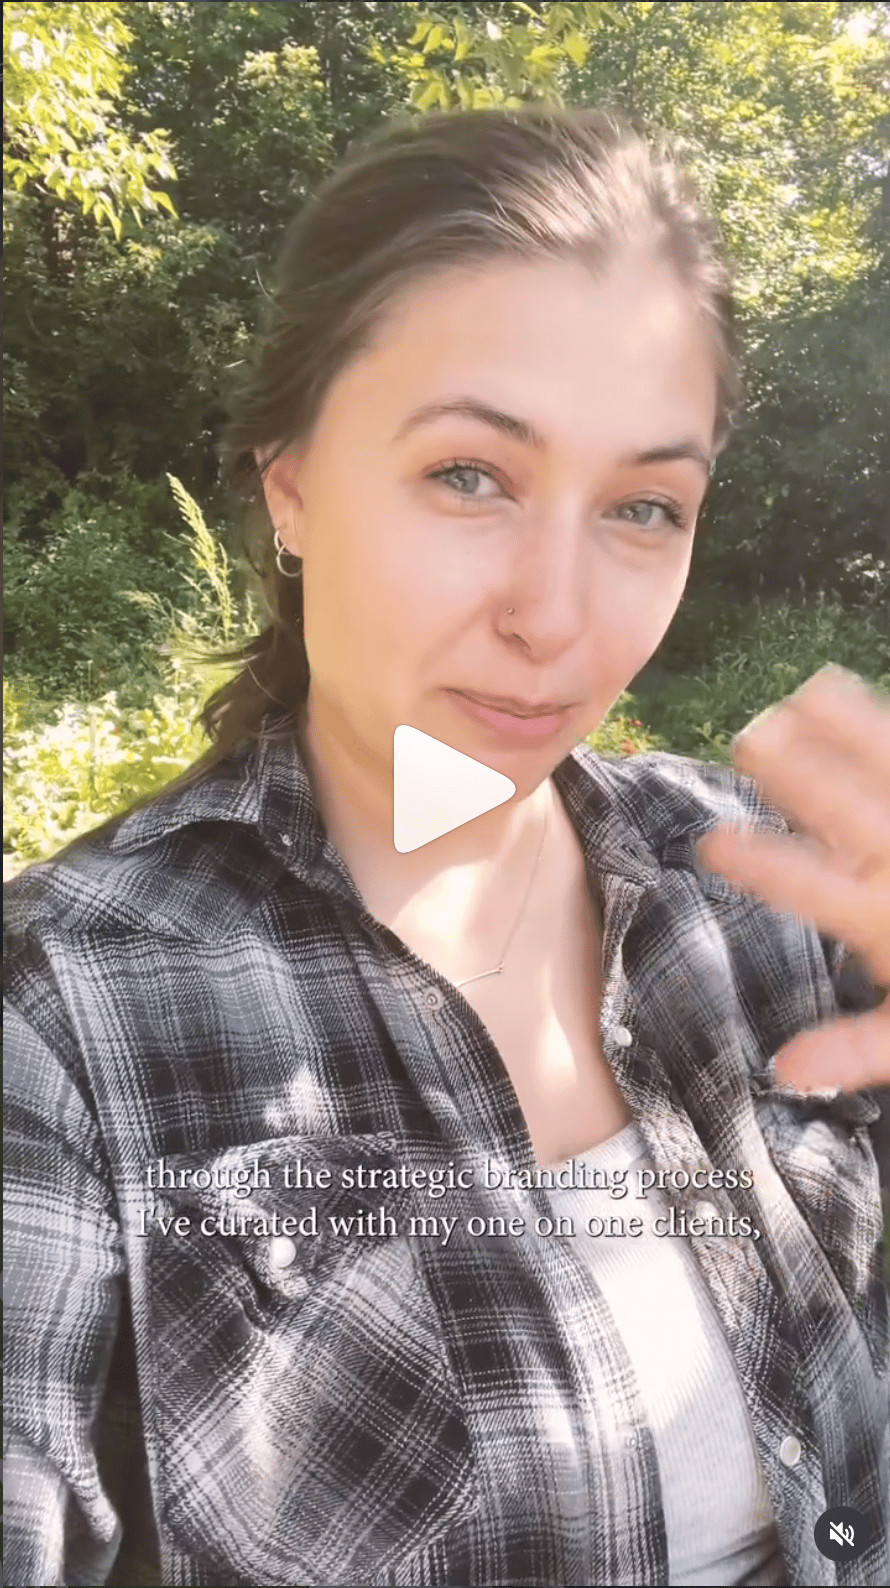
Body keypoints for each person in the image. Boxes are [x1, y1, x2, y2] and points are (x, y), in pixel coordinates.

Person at [4, 105, 888, 1588]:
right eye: (470, 475)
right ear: (290, 481)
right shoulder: (65, 1016)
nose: (556, 615)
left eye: (642, 507)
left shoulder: (775, 895)